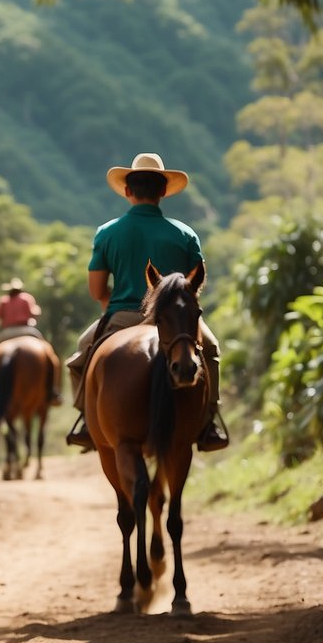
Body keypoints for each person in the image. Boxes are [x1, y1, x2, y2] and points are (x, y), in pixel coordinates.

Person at [64, 152, 229, 452]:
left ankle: (89, 422)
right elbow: (195, 287)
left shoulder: (107, 233)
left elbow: (97, 289)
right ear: (163, 191)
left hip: (122, 317)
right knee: (212, 351)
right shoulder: (185, 234)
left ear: (128, 191)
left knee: (79, 359)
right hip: (177, 321)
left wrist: (110, 306)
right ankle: (209, 423)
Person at [0, 277, 43, 342]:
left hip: (8, 330)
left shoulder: (4, 300)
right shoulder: (26, 298)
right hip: (26, 329)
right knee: (42, 342)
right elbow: (33, 314)